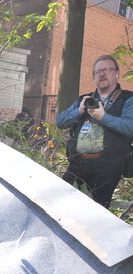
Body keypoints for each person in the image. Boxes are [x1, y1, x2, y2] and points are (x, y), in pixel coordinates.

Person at [56, 55, 133, 208]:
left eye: (107, 70)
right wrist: (78, 110)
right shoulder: (84, 100)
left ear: (117, 73)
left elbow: (130, 127)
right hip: (78, 162)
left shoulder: (128, 99)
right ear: (93, 77)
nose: (102, 74)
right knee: (63, 205)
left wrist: (103, 117)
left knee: (95, 212)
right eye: (98, 72)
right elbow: (60, 122)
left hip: (108, 166)